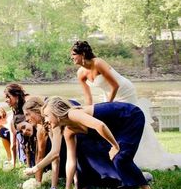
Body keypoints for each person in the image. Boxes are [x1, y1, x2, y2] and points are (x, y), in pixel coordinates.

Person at [72, 40, 181, 170]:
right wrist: (86, 113)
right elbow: (88, 98)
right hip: (108, 95)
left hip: (123, 91)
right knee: (113, 122)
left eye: (74, 54)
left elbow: (115, 85)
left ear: (83, 54)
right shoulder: (80, 73)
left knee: (131, 120)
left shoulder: (98, 63)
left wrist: (108, 105)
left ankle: (142, 155)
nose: (72, 58)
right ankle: (119, 152)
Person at [42, 96, 159, 189]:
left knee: (120, 158)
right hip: (113, 127)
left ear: (56, 111)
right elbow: (71, 161)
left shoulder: (73, 114)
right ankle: (99, 186)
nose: (45, 120)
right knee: (97, 155)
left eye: (47, 115)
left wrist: (115, 146)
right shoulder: (68, 130)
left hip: (130, 117)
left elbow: (100, 126)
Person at [4, 83, 28, 167]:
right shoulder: (27, 110)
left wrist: (13, 163)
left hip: (25, 158)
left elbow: (13, 145)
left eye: (8, 97)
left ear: (16, 96)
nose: (6, 100)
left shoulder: (19, 116)